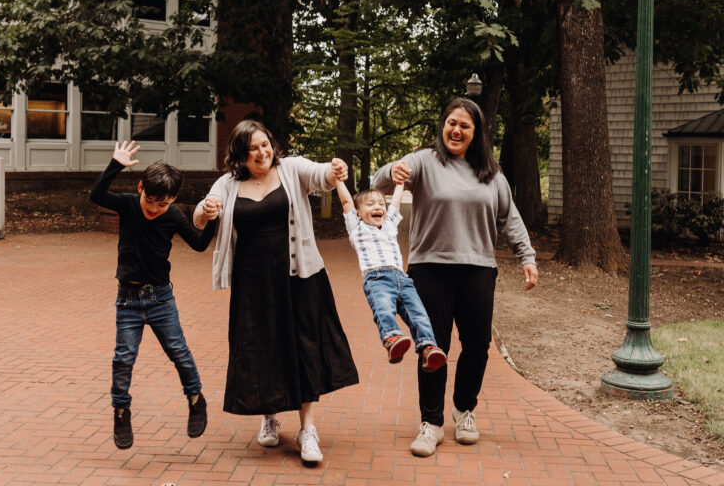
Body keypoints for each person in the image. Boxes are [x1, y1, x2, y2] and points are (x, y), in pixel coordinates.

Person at [372, 98, 539, 458]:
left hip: (478, 268)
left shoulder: (491, 173)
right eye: (451, 123)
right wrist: (392, 172)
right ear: (442, 126)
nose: (456, 130)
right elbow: (378, 183)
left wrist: (527, 257)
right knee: (434, 347)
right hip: (429, 268)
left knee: (478, 345)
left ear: (476, 133)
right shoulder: (424, 161)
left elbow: (510, 218)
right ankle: (431, 422)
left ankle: (464, 410)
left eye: (464, 125)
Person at [192, 119, 359, 464]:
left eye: (265, 144)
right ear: (239, 154)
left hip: (299, 278)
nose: (262, 152)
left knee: (304, 348)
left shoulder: (291, 169)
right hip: (253, 284)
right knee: (261, 349)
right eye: (252, 148)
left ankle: (307, 429)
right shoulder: (228, 183)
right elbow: (202, 213)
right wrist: (204, 212)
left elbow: (322, 176)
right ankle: (269, 416)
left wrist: (335, 169)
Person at [91, 140, 216, 450]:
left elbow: (200, 245)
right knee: (123, 359)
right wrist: (115, 164)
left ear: (173, 199)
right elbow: (96, 195)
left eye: (163, 203)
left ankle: (196, 400)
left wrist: (213, 221)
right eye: (151, 200)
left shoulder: (173, 216)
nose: (155, 208)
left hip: (161, 299)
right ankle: (121, 412)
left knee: (179, 352)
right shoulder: (128, 205)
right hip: (128, 300)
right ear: (140, 188)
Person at [335, 178, 447, 371]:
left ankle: (428, 347)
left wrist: (400, 183)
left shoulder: (389, 225)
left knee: (419, 314)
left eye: (380, 204)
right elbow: (346, 202)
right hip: (377, 279)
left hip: (402, 279)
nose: (378, 207)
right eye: (370, 205)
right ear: (359, 214)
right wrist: (338, 180)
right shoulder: (357, 228)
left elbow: (395, 203)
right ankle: (391, 338)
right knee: (384, 309)